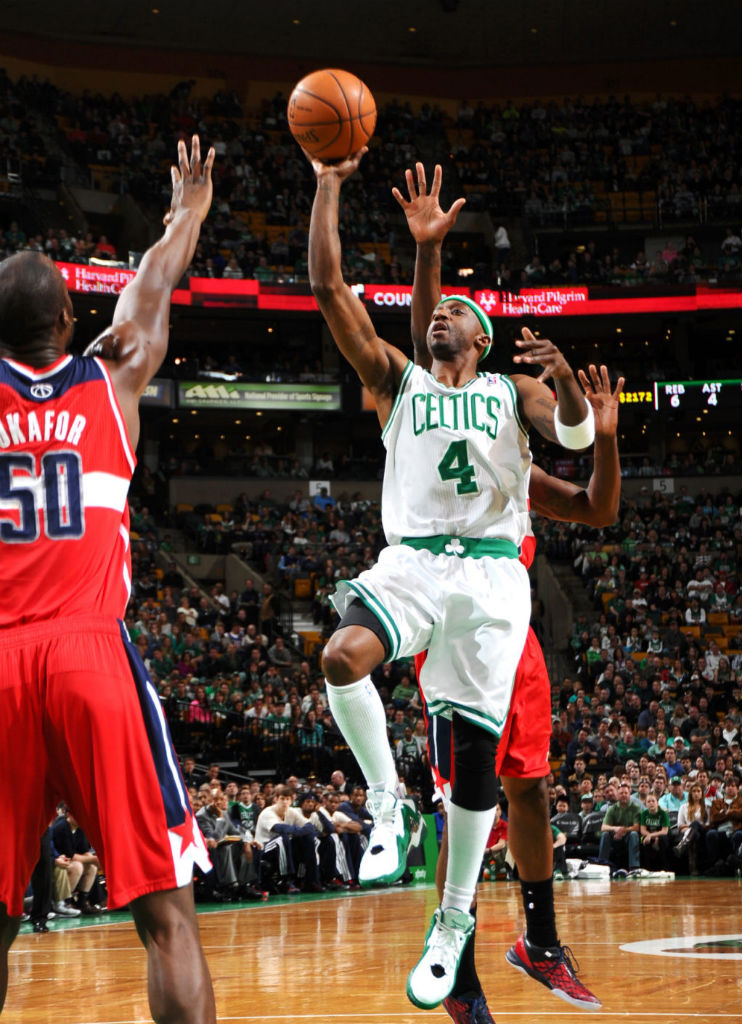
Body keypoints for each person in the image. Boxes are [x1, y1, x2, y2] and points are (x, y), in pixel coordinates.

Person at [307, 147, 596, 1012]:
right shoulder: (401, 384)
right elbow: (332, 292)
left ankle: (468, 928)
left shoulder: (509, 393)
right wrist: (332, 185)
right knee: (340, 657)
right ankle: (385, 798)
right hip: (417, 565)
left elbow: (577, 445)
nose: (441, 320)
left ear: (483, 338)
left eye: (458, 315)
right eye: (436, 315)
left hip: (492, 583)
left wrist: (574, 394)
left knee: (495, 768)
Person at [0, 137, 216, 1022]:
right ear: (66, 325)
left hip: (1, 663)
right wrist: (189, 208)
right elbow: (155, 280)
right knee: (167, 917)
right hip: (90, 654)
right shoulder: (114, 372)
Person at [400, 162, 620, 1020]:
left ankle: (540, 938)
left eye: (461, 317)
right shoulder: (445, 396)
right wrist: (429, 258)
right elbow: (428, 347)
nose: (444, 327)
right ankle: (457, 964)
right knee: (464, 796)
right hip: (454, 617)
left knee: (528, 788)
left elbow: (599, 507)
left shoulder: (511, 429)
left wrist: (593, 426)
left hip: (509, 625)